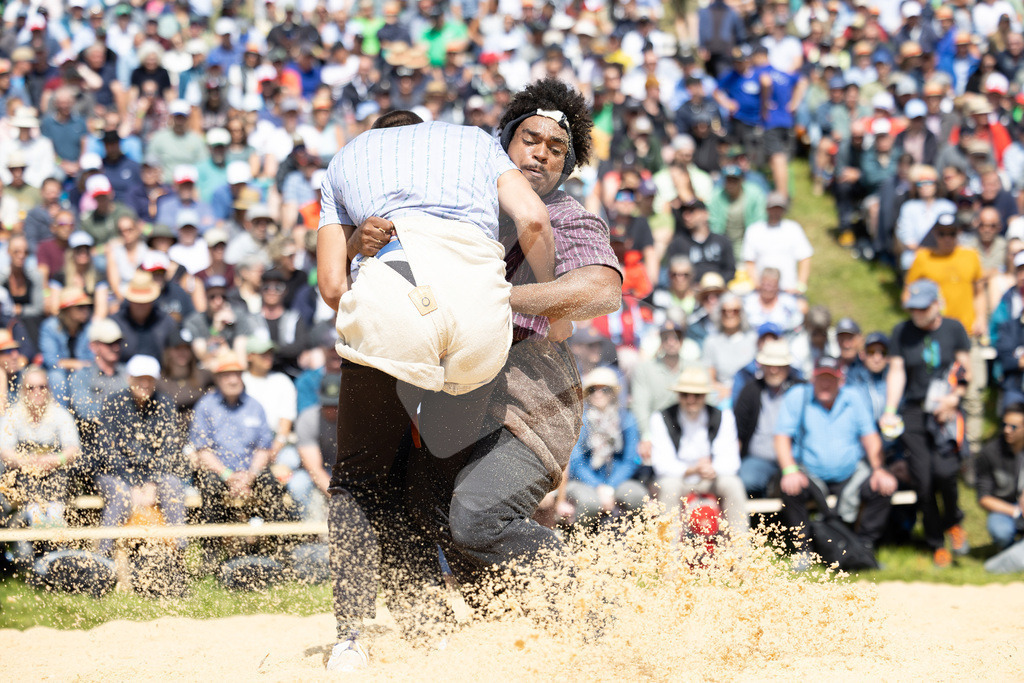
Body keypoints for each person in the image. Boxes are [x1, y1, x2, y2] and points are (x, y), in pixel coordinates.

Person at [316, 108, 560, 671]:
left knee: (359, 478)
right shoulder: (475, 142)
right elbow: (535, 223)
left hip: (396, 303)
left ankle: (351, 637)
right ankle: (443, 622)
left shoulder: (350, 157)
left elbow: (331, 287)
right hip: (479, 312)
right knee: (438, 470)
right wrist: (550, 304)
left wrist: (357, 246)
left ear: (380, 137)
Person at [881, 279, 972, 567]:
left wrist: (954, 398)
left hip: (946, 410)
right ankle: (936, 542)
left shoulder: (954, 329)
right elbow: (897, 372)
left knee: (945, 472)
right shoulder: (901, 331)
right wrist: (890, 409)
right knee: (923, 480)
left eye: (922, 308)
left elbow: (964, 370)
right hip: (914, 413)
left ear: (936, 304)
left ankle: (954, 521)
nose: (916, 313)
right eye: (912, 308)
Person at [775, 357, 897, 561]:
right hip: (810, 474)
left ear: (840, 380)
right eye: (820, 378)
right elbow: (781, 437)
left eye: (830, 378)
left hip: (850, 475)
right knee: (790, 487)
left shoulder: (854, 397)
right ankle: (802, 550)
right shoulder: (798, 396)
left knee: (882, 486)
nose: (825, 383)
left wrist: (879, 469)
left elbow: (870, 437)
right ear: (812, 379)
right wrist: (789, 470)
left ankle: (864, 546)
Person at [189, 353, 297, 534]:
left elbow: (263, 448)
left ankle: (280, 546)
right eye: (227, 375)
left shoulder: (255, 406)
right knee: (209, 485)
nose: (233, 380)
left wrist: (250, 475)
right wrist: (228, 475)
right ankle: (212, 549)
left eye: (237, 374)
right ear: (217, 379)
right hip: (218, 472)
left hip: (251, 471)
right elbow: (203, 451)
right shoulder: (205, 406)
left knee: (271, 485)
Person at [92, 355, 187, 557]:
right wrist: (133, 483)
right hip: (115, 473)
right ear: (129, 378)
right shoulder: (113, 403)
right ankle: (103, 556)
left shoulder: (165, 404)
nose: (144, 383)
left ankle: (178, 551)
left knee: (173, 486)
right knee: (120, 495)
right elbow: (107, 451)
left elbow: (168, 449)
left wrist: (152, 482)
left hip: (152, 474)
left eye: (149, 379)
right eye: (139, 378)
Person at [648, 366, 749, 537]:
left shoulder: (723, 417)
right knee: (668, 487)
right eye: (685, 394)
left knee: (734, 486)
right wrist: (693, 470)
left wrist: (712, 469)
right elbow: (662, 465)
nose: (691, 399)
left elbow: (731, 461)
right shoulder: (661, 418)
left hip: (711, 477)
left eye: (697, 395)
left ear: (705, 396)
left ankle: (739, 556)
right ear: (678, 395)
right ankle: (669, 558)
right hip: (679, 479)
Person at [566, 367, 645, 526]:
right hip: (584, 480)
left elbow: (631, 460)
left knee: (638, 496)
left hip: (617, 479)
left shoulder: (626, 419)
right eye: (593, 389)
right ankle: (578, 544)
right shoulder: (581, 421)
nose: (598, 393)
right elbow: (576, 462)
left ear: (613, 393)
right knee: (590, 503)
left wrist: (610, 487)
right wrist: (599, 487)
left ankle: (638, 545)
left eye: (605, 389)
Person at [734, 339, 803, 498]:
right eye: (769, 365)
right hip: (759, 460)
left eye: (779, 366)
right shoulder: (750, 390)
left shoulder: (801, 389)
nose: (773, 370)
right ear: (761, 366)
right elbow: (738, 432)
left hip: (796, 460)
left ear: (787, 367)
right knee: (745, 479)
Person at [741, 192, 814, 295]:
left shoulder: (793, 229)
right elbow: (749, 261)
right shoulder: (754, 230)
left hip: (788, 289)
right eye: (773, 208)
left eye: (779, 208)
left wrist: (801, 286)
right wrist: (757, 284)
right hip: (761, 291)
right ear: (767, 209)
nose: (775, 212)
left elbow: (805, 257)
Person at [290, 374, 339, 521]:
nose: (331, 410)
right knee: (298, 485)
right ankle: (313, 533)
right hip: (316, 472)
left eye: (336, 405)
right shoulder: (308, 418)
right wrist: (338, 497)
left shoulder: (356, 421)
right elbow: (314, 469)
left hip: (343, 471)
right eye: (327, 405)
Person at [976, 403, 1024, 551]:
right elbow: (984, 497)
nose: (1007, 430)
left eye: (1013, 427)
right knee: (1000, 530)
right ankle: (1011, 551)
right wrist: (1016, 512)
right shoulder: (990, 453)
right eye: (1004, 425)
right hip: (1006, 511)